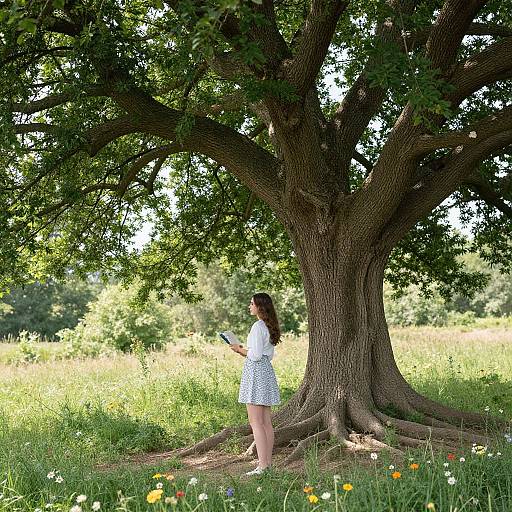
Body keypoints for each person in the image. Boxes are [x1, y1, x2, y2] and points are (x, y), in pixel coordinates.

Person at [229, 292, 281, 476]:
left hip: (256, 373)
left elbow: (256, 355)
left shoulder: (258, 326)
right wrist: (247, 349)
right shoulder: (269, 325)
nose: (249, 306)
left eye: (251, 303)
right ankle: (267, 465)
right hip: (266, 372)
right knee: (266, 422)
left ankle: (262, 465)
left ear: (260, 307)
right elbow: (267, 354)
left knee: (256, 422)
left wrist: (239, 350)